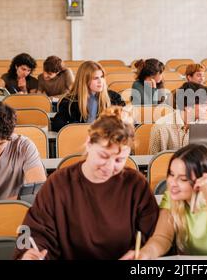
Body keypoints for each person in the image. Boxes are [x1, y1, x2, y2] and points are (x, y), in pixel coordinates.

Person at [14, 107, 159, 260]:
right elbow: (31, 232)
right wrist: (28, 254)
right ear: (89, 143)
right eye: (103, 156)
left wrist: (145, 253)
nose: (109, 168)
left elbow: (154, 234)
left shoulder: (136, 185)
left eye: (119, 160)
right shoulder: (58, 184)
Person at [121, 144, 207, 259]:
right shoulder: (172, 197)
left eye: (183, 179)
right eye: (171, 174)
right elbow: (162, 238)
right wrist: (146, 253)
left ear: (202, 179)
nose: (172, 183)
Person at [51, 61, 124, 132]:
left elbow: (126, 122)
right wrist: (77, 127)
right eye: (95, 78)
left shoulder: (114, 98)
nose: (100, 81)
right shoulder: (70, 101)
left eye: (101, 77)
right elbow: (56, 124)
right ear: (85, 80)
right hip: (80, 139)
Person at [149, 82, 207, 155]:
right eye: (203, 105)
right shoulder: (160, 128)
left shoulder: (206, 125)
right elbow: (154, 162)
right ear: (188, 107)